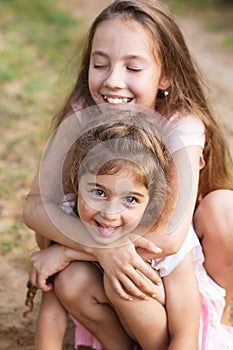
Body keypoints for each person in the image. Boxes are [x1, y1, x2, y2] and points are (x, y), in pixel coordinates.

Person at [23, 0, 233, 347]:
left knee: (225, 208)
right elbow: (35, 207)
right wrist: (103, 250)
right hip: (115, 270)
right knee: (67, 262)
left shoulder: (183, 125)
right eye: (100, 64)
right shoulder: (83, 114)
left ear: (166, 75)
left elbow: (167, 241)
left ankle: (211, 321)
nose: (113, 82)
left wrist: (76, 249)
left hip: (168, 272)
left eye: (133, 68)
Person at [30, 114, 201, 350]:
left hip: (166, 337)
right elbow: (52, 317)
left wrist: (66, 253)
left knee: (124, 281)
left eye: (130, 199)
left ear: (151, 201)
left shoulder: (165, 239)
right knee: (70, 280)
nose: (110, 214)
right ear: (77, 181)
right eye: (98, 192)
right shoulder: (68, 217)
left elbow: (186, 336)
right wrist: (64, 252)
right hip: (118, 331)